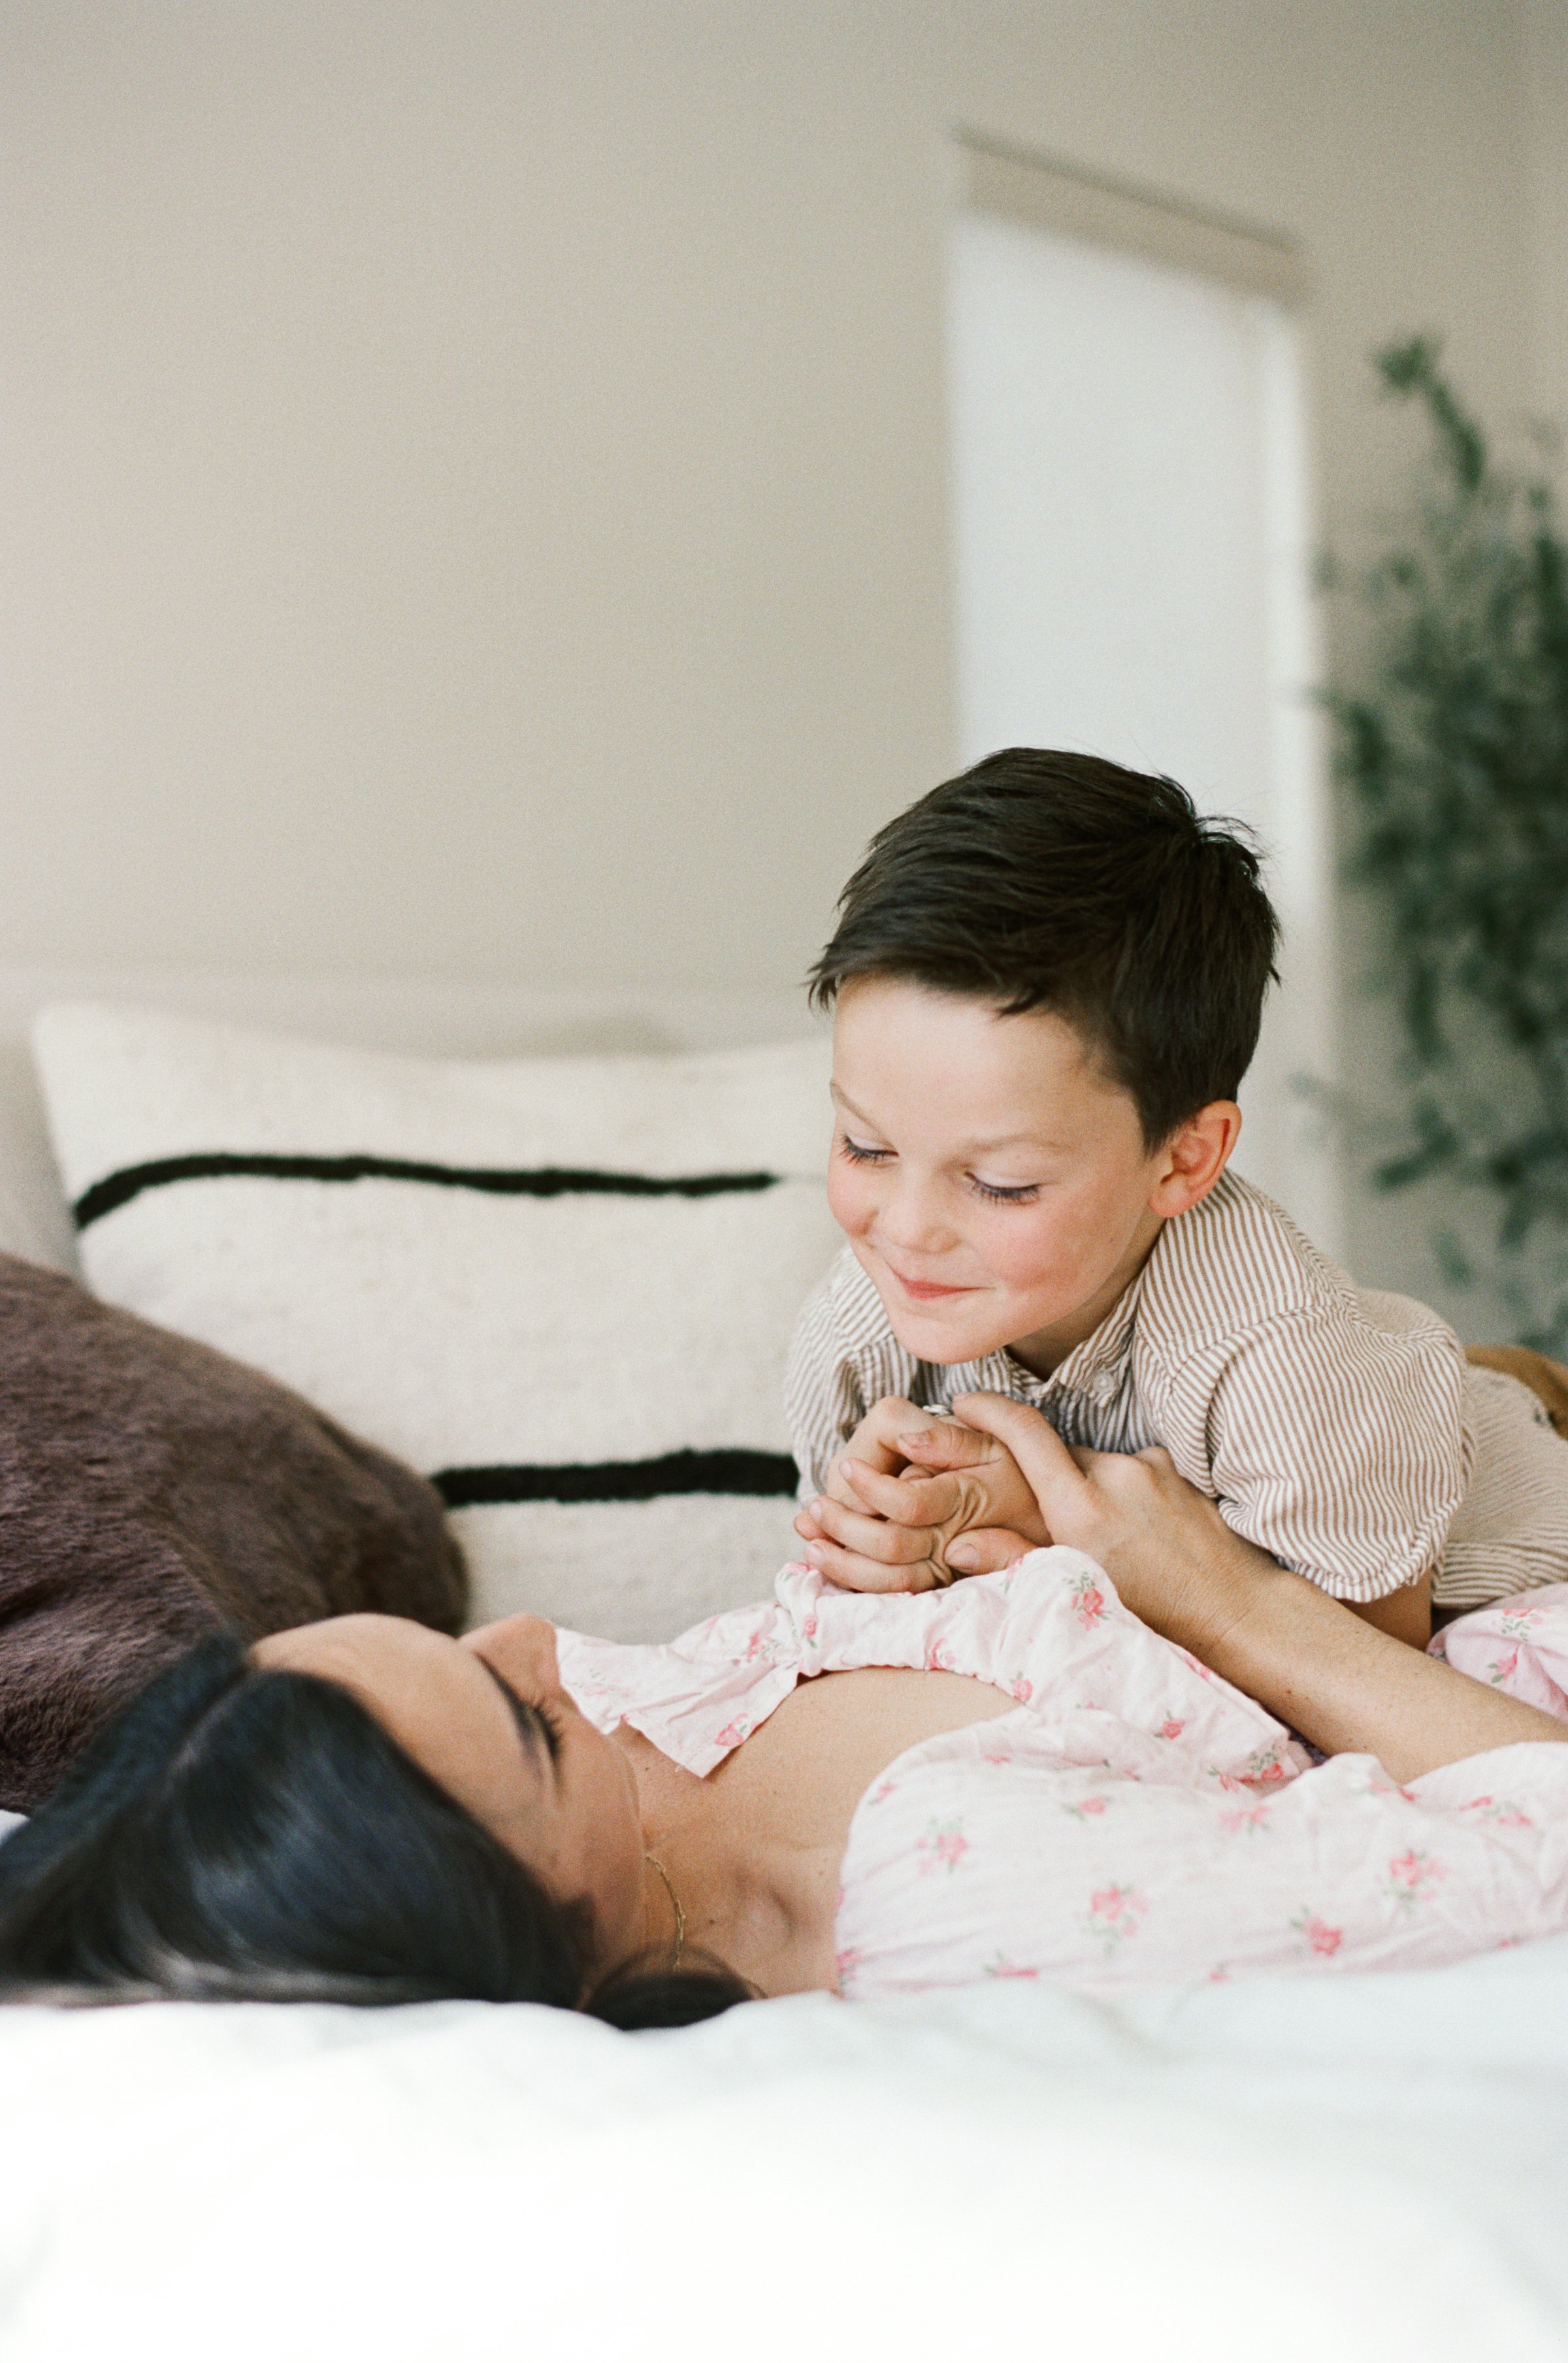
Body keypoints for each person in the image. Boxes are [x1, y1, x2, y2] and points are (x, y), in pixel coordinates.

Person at [5, 1400, 1568, 2016]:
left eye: (461, 1635)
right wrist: (1221, 1598)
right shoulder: (962, 1883)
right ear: (541, 1936)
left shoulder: (618, 1739)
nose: (547, 1635)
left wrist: (946, 1527)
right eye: (523, 1715)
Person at [787, 748, 1568, 1644]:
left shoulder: (1280, 1363)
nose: (909, 1227)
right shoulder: (857, 1332)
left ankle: (1521, 1382)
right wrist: (882, 1540)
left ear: (1184, 1160)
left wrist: (1050, 1519)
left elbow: (1367, 1669)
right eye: (867, 1146)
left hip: (1460, 1576)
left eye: (1002, 1184)